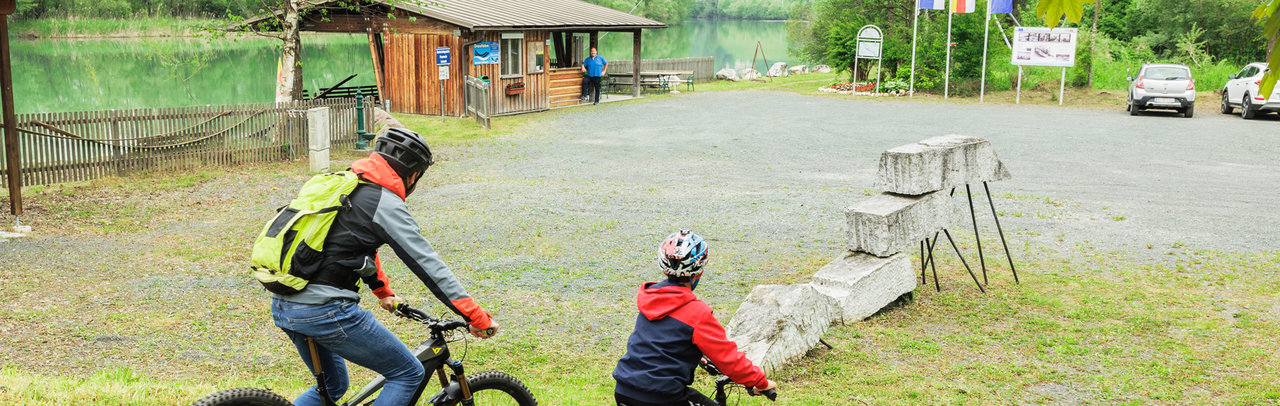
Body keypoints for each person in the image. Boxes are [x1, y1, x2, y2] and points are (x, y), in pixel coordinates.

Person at [268, 127, 498, 406]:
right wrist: (476, 317)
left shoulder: (344, 185)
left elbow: (354, 245)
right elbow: (429, 265)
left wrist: (383, 292)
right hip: (325, 311)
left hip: (284, 303)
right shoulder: (384, 202)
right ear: (412, 175)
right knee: (407, 373)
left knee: (333, 384)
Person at [612, 230, 777, 406]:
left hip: (625, 390)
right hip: (661, 396)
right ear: (699, 272)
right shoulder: (698, 313)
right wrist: (761, 382)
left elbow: (658, 341)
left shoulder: (650, 298)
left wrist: (694, 354)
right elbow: (729, 359)